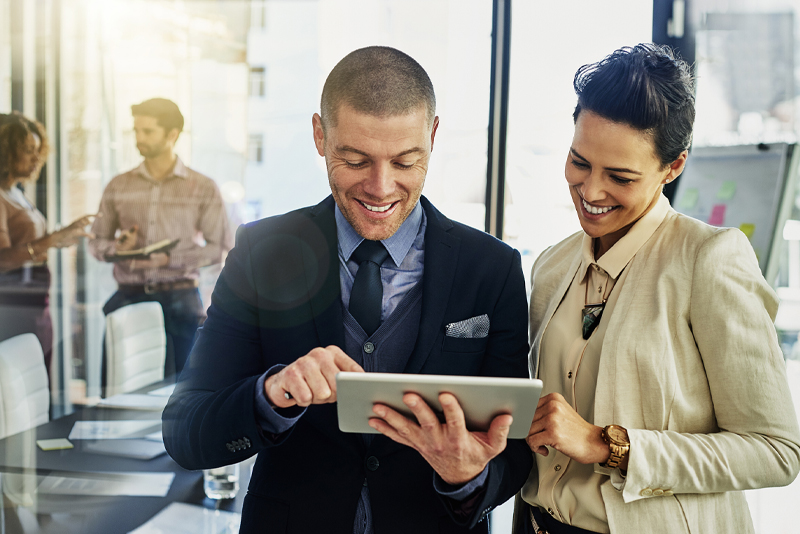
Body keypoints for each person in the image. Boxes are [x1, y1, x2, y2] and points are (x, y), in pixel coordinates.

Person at [162, 46, 532, 533]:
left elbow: (516, 454)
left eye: (405, 161)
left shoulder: (493, 268)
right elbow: (186, 432)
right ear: (320, 135)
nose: (380, 188)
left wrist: (467, 477)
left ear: (433, 137)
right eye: (355, 160)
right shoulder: (261, 252)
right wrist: (272, 394)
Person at [514, 44, 800, 534]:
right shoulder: (552, 265)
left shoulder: (709, 260)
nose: (591, 191)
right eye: (579, 162)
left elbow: (775, 451)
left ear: (674, 167)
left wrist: (610, 445)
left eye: (620, 177)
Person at [89, 98, 231, 380]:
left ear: (171, 135)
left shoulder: (201, 187)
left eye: (148, 131)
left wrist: (170, 259)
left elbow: (219, 248)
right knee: (119, 389)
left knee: (184, 393)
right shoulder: (119, 185)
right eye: (136, 131)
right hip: (129, 299)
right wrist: (117, 248)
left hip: (181, 301)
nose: (139, 139)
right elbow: (96, 243)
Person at [0, 111, 94, 375]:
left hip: (35, 305)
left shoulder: (15, 192)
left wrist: (60, 236)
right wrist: (51, 241)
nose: (36, 157)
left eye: (38, 150)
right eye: (28, 150)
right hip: (13, 309)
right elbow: (3, 260)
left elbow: (31, 241)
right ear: (5, 150)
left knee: (39, 385)